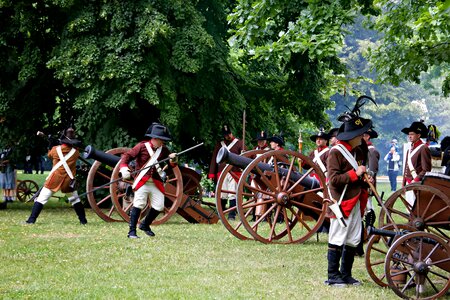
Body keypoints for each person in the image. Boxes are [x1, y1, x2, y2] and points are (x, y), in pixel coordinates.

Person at [325, 116, 372, 287]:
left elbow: (358, 176)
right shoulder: (335, 152)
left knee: (353, 238)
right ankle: (332, 275)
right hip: (341, 201)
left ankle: (346, 274)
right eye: (359, 134)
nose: (362, 137)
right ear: (351, 136)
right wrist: (355, 174)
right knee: (337, 238)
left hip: (356, 199)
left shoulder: (358, 151)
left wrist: (365, 180)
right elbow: (334, 180)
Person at [119, 122, 177, 238]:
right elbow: (126, 156)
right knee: (139, 204)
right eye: (161, 139)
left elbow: (171, 166)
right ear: (154, 138)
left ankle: (145, 224)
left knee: (159, 206)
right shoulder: (141, 146)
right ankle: (131, 232)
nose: (163, 142)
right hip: (142, 182)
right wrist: (124, 168)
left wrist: (173, 160)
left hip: (156, 183)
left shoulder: (164, 150)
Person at [25, 127, 87, 224]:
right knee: (75, 200)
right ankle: (83, 221)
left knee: (41, 199)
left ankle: (31, 220)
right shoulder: (76, 152)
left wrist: (50, 144)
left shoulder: (55, 149)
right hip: (68, 181)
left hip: (54, 179)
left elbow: (49, 155)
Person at [209, 125, 245, 220]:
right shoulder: (219, 144)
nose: (227, 136)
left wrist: (243, 152)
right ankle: (221, 213)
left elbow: (245, 156)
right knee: (222, 193)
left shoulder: (239, 143)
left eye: (229, 133)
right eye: (226, 134)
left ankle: (231, 215)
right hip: (222, 172)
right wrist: (212, 173)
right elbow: (214, 159)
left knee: (232, 193)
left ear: (231, 133)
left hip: (234, 171)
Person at [401, 121, 432, 206]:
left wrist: (415, 180)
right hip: (409, 182)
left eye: (412, 134)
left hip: (417, 182)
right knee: (410, 207)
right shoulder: (409, 149)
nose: (409, 136)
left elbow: (426, 169)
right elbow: (406, 167)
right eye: (409, 134)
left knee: (415, 208)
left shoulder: (424, 148)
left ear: (418, 135)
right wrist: (403, 183)